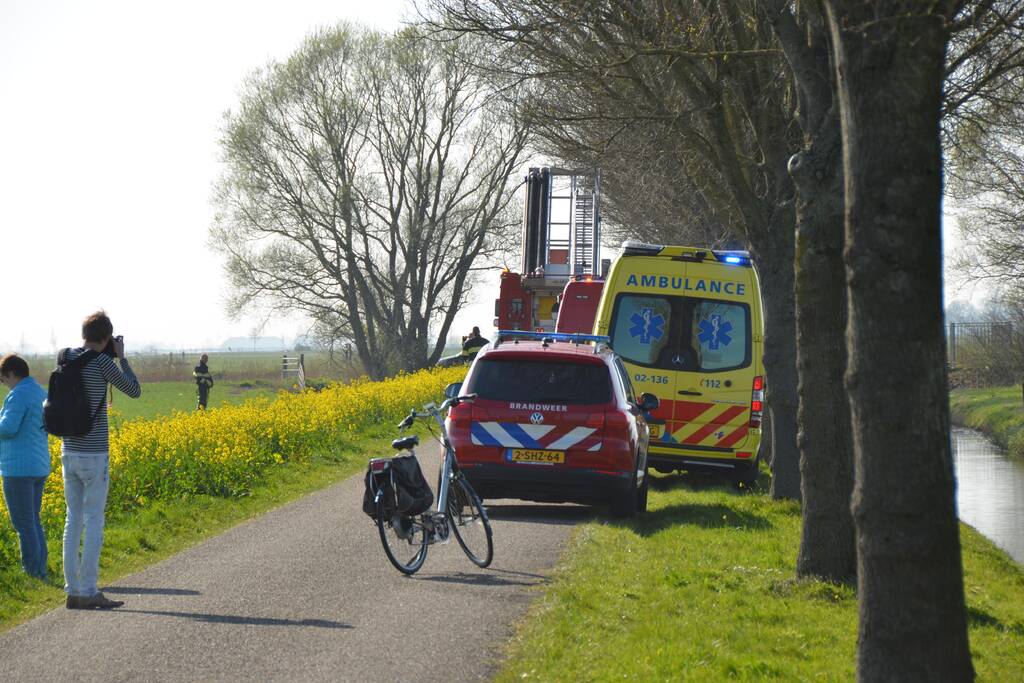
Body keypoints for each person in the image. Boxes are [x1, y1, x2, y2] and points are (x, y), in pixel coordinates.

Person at [60, 311, 141, 610]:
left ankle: (72, 590)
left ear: (84, 333)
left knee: (72, 519)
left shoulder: (64, 357)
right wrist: (122, 358)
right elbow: (134, 390)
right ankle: (89, 590)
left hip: (68, 449)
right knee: (93, 519)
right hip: (94, 454)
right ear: (107, 338)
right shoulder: (103, 363)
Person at [0, 354, 50, 579]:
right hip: (39, 464)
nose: (4, 384)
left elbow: (8, 428)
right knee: (33, 520)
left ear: (11, 373)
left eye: (3, 379)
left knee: (23, 523)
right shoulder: (39, 391)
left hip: (18, 468)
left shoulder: (18, 394)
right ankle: (40, 568)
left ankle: (33, 572)